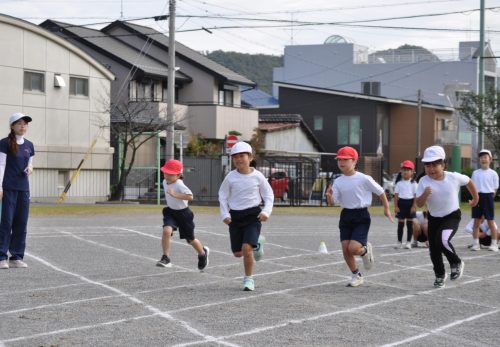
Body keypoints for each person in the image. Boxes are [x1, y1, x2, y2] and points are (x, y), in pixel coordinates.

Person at [325, 146, 393, 287]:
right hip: (346, 215)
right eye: (339, 160)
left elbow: (380, 192)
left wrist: (386, 208)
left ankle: (365, 250)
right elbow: (333, 203)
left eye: (345, 159)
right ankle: (356, 275)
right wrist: (329, 197)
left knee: (353, 249)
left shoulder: (364, 178)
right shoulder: (338, 181)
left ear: (354, 161)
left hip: (361, 215)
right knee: (345, 248)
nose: (341, 162)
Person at [416, 145, 479, 288]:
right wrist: (425, 194)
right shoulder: (423, 181)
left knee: (442, 240)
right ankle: (439, 275)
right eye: (427, 165)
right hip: (433, 219)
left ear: (443, 164)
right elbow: (419, 204)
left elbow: (469, 181)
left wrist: (475, 198)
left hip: (451, 216)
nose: (431, 169)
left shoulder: (453, 177)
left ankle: (456, 262)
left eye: (435, 164)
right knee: (434, 250)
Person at [219, 141, 274, 291]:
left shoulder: (258, 176)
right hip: (235, 216)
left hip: (253, 215)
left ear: (250, 157)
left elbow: (268, 195)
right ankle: (258, 243)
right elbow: (222, 195)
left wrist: (265, 211)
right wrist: (224, 213)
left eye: (242, 156)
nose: (238, 159)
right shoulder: (230, 177)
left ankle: (248, 279)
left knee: (246, 248)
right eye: (235, 157)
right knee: (238, 253)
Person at [156, 159, 209, 271]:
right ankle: (166, 258)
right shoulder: (164, 182)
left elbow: (190, 196)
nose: (167, 176)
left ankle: (202, 253)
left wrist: (175, 194)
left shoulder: (179, 184)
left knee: (190, 240)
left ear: (179, 175)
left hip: (184, 214)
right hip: (170, 212)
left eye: (171, 174)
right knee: (166, 231)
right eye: (165, 172)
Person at [0, 113, 35, 269]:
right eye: (20, 123)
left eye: (25, 123)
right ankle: (1, 257)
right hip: (7, 189)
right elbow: (1, 166)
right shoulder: (4, 143)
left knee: (21, 223)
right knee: (6, 223)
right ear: (12, 126)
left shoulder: (30, 145)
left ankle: (16, 256)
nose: (23, 126)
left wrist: (30, 169)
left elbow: (30, 165)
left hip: (23, 189)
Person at [470, 149, 499, 252]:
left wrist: (490, 198)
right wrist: (474, 198)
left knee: (491, 222)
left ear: (490, 159)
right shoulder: (475, 173)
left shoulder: (493, 173)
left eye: (485, 157)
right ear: (479, 160)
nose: (483, 159)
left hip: (488, 197)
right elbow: (472, 187)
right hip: (477, 197)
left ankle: (494, 244)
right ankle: (475, 244)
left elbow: (495, 189)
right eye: (481, 157)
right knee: (476, 222)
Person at [393, 160, 418, 249]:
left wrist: (414, 206)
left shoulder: (414, 184)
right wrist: (396, 206)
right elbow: (396, 196)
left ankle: (408, 242)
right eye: (403, 170)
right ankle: (399, 242)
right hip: (401, 204)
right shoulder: (398, 184)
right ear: (401, 172)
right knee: (400, 224)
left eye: (408, 170)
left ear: (412, 172)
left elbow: (415, 196)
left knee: (409, 224)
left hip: (410, 204)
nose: (405, 172)